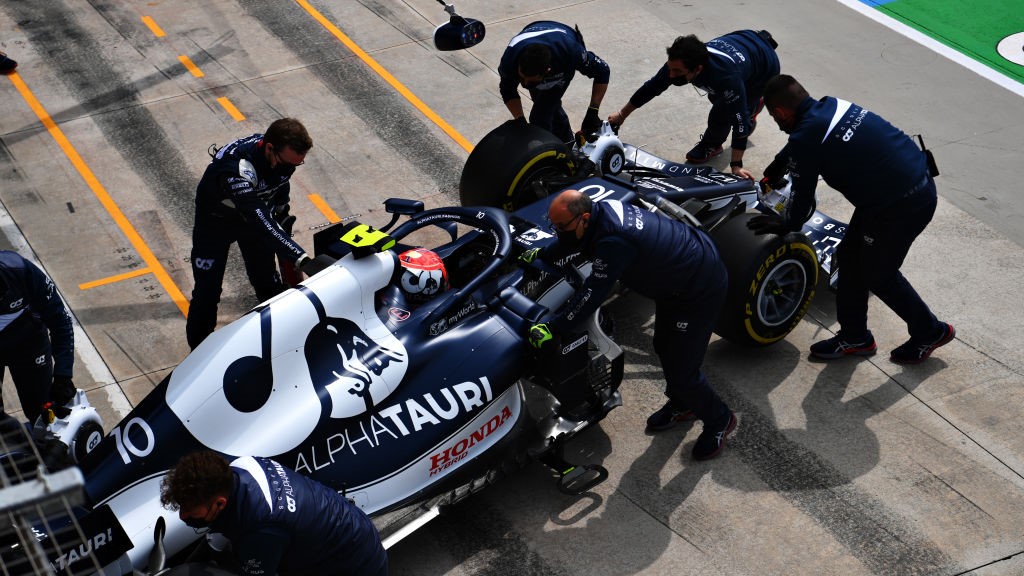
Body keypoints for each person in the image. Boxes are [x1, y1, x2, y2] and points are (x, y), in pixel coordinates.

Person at [748, 74, 954, 364]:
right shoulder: (833, 106)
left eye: (773, 116)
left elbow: (802, 198)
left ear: (780, 112)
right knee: (849, 257)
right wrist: (783, 159)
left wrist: (785, 225)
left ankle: (930, 331)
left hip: (900, 205)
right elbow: (809, 137)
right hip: (906, 186)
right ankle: (855, 337)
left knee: (878, 273)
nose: (777, 122)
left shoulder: (806, 136)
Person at [523, 190, 736, 460]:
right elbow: (571, 240)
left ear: (584, 217)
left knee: (683, 368)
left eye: (561, 226)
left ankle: (720, 419)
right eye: (553, 226)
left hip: (698, 288)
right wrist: (543, 254)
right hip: (677, 278)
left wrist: (554, 327)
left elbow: (591, 295)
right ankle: (685, 403)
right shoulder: (599, 214)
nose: (557, 232)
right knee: (663, 345)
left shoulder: (614, 240)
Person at [186, 118, 324, 350]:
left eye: (295, 165)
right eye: (286, 164)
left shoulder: (282, 159)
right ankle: (198, 353)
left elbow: (279, 191)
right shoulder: (236, 169)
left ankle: (285, 342)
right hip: (215, 224)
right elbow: (259, 217)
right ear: (269, 148)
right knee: (207, 293)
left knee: (268, 284)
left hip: (252, 219)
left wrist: (282, 212)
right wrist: (299, 257)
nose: (288, 169)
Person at [160, 450, 388, 576]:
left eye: (190, 509)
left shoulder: (263, 526)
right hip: (350, 533)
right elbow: (216, 540)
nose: (183, 515)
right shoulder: (239, 468)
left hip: (354, 567)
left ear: (220, 503)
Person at [608, 30, 780, 179]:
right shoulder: (679, 61)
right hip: (745, 38)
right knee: (718, 98)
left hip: (764, 68)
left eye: (678, 71)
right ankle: (744, 105)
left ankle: (714, 142)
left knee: (723, 113)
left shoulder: (726, 78)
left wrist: (736, 165)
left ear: (697, 69)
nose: (672, 74)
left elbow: (740, 122)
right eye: (670, 68)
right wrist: (622, 114)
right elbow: (651, 87)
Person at [498, 21, 610, 143]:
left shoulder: (571, 52)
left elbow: (603, 71)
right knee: (548, 110)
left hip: (563, 54)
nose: (524, 85)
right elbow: (508, 90)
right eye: (522, 78)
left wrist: (593, 110)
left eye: (530, 83)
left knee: (540, 118)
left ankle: (559, 153)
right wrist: (520, 120)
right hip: (538, 39)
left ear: (547, 71)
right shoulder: (509, 60)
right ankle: (567, 144)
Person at [0, 251, 77, 424]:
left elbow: (60, 321)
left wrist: (63, 375)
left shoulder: (21, 270)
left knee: (42, 414)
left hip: (29, 345)